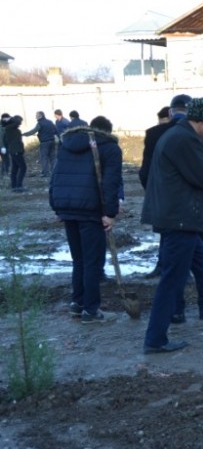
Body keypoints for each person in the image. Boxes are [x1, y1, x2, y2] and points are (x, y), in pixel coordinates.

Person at [141, 97, 203, 354]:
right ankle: (155, 339)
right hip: (179, 220)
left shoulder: (177, 135)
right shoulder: (184, 139)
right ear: (202, 121)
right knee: (172, 280)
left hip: (182, 219)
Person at [49, 116, 122, 322]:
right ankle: (91, 310)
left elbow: (56, 176)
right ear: (108, 131)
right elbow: (111, 182)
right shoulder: (110, 148)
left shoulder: (67, 145)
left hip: (68, 208)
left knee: (79, 260)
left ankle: (77, 303)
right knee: (93, 262)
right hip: (91, 211)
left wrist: (56, 206)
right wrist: (110, 213)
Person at [22, 110, 57, 178]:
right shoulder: (50, 122)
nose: (35, 117)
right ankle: (54, 171)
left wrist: (24, 134)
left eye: (37, 115)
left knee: (44, 158)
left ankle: (45, 173)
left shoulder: (40, 123)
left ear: (41, 115)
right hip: (52, 141)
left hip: (44, 143)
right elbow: (55, 130)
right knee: (52, 157)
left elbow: (33, 131)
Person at [4, 115, 26, 191]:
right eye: (20, 121)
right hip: (15, 151)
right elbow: (17, 122)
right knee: (23, 167)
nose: (20, 123)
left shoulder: (14, 129)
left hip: (16, 150)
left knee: (15, 168)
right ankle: (19, 186)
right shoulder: (9, 128)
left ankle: (14, 186)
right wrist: (13, 118)